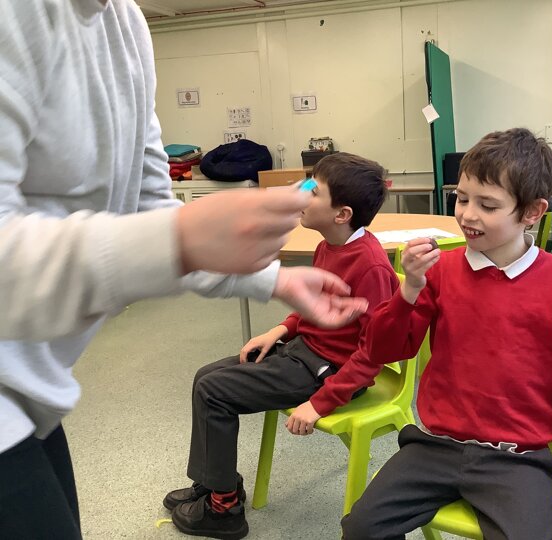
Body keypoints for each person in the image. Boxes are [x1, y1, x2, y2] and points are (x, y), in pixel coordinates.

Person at [0, 1, 366, 538]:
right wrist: (184, 243)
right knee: (210, 382)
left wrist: (274, 280)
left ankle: (220, 499)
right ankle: (218, 494)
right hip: (16, 385)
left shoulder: (125, 24)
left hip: (30, 385)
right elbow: (168, 234)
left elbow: (152, 208)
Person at [341, 128, 552, 540]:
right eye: (462, 198)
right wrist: (408, 290)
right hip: (436, 447)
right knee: (361, 528)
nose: (468, 215)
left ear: (532, 212)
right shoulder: (440, 271)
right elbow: (383, 350)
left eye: (487, 205)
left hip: (517, 458)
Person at [165, 152, 399, 539]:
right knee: (206, 375)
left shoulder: (371, 265)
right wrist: (280, 329)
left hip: (331, 372)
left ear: (341, 214)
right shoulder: (328, 246)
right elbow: (314, 307)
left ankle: (224, 509)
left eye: (313, 191)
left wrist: (320, 403)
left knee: (214, 391)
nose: (301, 195)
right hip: (304, 351)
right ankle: (215, 483)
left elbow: (374, 354)